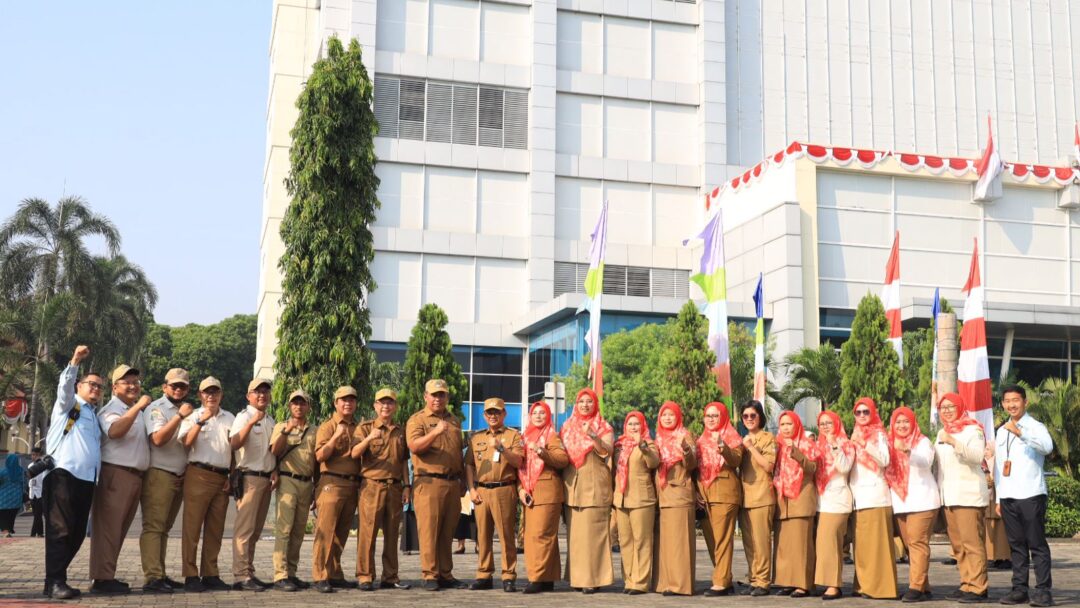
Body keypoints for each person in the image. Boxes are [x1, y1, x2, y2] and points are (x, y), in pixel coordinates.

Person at [42, 345, 102, 600]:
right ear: (79, 385)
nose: (96, 389)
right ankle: (56, 582)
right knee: (60, 531)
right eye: (92, 384)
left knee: (77, 533)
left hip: (87, 480)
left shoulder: (93, 414)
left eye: (100, 386)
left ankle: (54, 579)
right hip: (63, 474)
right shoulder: (68, 405)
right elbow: (64, 388)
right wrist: (75, 361)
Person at [89, 364, 151, 595]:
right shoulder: (111, 410)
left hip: (135, 476)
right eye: (127, 382)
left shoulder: (133, 409)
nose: (133, 385)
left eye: (135, 381)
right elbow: (115, 432)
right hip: (116, 474)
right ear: (115, 388)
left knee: (119, 529)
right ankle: (102, 579)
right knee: (108, 529)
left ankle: (107, 575)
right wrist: (139, 408)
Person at [994, 384, 1054, 607]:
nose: (1011, 404)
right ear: (1003, 404)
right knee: (1016, 545)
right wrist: (998, 497)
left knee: (1036, 544)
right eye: (1007, 401)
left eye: (1015, 400)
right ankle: (1019, 589)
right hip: (1008, 496)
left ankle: (1044, 590)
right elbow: (999, 467)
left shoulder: (1035, 426)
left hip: (1031, 494)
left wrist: (1022, 433)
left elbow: (1047, 447)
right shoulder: (1001, 431)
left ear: (1025, 402)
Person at [406, 379, 467, 591]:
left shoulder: (455, 421)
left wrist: (463, 481)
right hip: (428, 481)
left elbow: (459, 452)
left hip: (452, 483)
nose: (437, 399)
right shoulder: (418, 420)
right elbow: (414, 446)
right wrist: (435, 432)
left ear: (447, 398)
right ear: (425, 397)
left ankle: (445, 574)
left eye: (441, 395)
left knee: (447, 531)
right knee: (429, 531)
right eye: (433, 395)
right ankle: (429, 574)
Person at [140, 367, 194, 594]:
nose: (178, 389)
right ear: (165, 387)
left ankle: (160, 573)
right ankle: (152, 576)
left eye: (182, 386)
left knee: (164, 527)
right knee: (154, 526)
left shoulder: (189, 410)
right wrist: (180, 416)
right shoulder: (156, 408)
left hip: (179, 474)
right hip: (159, 472)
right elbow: (158, 439)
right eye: (174, 385)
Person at [179, 377, 235, 593]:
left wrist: (231, 475)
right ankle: (191, 574)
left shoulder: (230, 417)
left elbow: (233, 450)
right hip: (198, 473)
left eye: (215, 392)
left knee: (215, 528)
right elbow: (186, 443)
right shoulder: (193, 416)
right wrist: (201, 420)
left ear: (221, 394)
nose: (211, 396)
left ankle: (210, 573)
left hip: (221, 476)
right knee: (192, 527)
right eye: (207, 392)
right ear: (200, 395)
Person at [352, 388, 411, 591]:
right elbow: (354, 453)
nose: (386, 406)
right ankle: (365, 576)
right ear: (375, 406)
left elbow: (404, 461)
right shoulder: (365, 428)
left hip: (394, 487)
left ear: (395, 406)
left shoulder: (400, 430)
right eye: (382, 402)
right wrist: (369, 439)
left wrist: (407, 486)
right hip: (371, 486)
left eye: (390, 402)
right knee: (367, 533)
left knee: (392, 534)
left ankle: (390, 576)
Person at [934, 392, 990, 603]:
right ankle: (966, 582)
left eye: (951, 406)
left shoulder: (972, 429)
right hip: (948, 497)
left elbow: (977, 456)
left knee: (972, 543)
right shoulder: (941, 433)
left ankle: (978, 587)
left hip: (968, 496)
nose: (947, 411)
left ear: (960, 407)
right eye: (943, 408)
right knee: (958, 545)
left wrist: (953, 441)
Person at [465, 397, 525, 592]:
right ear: (484, 415)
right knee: (483, 535)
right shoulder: (476, 438)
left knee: (506, 535)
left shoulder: (513, 436)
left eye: (497, 412)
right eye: (489, 412)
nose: (493, 416)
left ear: (504, 414)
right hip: (481, 490)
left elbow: (518, 462)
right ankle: (484, 574)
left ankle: (508, 575)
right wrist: (472, 489)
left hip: (504, 489)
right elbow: (469, 464)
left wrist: (501, 447)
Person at [559, 387, 615, 594]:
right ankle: (577, 577)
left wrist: (593, 436)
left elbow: (607, 451)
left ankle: (593, 579)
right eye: (581, 401)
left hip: (595, 488)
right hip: (572, 487)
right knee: (576, 538)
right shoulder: (566, 427)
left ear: (595, 404)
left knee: (594, 537)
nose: (585, 405)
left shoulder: (603, 427)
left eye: (589, 401)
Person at [885, 406, 940, 603]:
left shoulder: (922, 441)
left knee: (917, 543)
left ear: (913, 422)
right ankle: (924, 587)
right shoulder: (889, 443)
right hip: (901, 503)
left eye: (905, 421)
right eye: (898, 422)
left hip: (922, 501)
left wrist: (909, 452)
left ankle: (915, 587)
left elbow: (926, 461)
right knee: (910, 545)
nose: (901, 425)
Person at [312, 385, 361, 593]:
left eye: (351, 399)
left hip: (352, 484)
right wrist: (335, 436)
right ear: (335, 403)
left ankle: (334, 573)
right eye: (343, 399)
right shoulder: (328, 426)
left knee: (341, 533)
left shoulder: (359, 428)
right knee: (326, 532)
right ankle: (319, 575)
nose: (347, 403)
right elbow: (320, 456)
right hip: (331, 482)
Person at [230, 377, 278, 591]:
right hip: (248, 478)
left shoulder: (270, 420)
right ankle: (241, 576)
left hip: (266, 479)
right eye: (257, 392)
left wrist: (275, 470)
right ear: (248, 396)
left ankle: (248, 571)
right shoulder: (243, 417)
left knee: (256, 530)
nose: (262, 395)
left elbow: (271, 451)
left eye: (265, 391)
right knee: (244, 530)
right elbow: (234, 443)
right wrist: (251, 422)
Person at [849, 397, 899, 599]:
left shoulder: (878, 434)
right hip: (858, 497)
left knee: (878, 546)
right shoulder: (853, 434)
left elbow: (885, 460)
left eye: (865, 412)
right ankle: (863, 585)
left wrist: (864, 444)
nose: (861, 416)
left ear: (873, 413)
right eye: (858, 412)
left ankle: (881, 588)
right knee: (861, 546)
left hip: (876, 496)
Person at [517, 401, 569, 594]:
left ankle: (537, 578)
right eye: (535, 413)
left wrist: (541, 451)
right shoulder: (524, 437)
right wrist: (520, 489)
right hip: (529, 492)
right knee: (537, 537)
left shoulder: (552, 436)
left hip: (547, 491)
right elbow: (518, 467)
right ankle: (548, 578)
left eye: (542, 413)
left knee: (541, 536)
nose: (538, 416)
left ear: (548, 416)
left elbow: (563, 460)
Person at [270, 389, 317, 592]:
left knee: (298, 531)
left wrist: (317, 487)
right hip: (287, 479)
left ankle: (292, 572)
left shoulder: (315, 430)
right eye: (295, 403)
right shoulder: (281, 426)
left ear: (308, 406)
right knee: (284, 529)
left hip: (307, 483)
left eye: (302, 403)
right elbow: (274, 450)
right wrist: (286, 431)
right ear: (289, 406)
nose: (298, 406)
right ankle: (280, 575)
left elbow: (316, 461)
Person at [696, 402, 743, 597]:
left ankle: (721, 582)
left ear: (723, 416)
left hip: (724, 493)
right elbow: (696, 468)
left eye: (715, 415)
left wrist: (722, 446)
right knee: (712, 540)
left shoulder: (732, 437)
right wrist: (696, 490)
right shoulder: (701, 439)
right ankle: (725, 578)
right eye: (708, 415)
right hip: (704, 495)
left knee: (722, 539)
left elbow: (736, 460)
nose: (711, 419)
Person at [772, 410, 819, 598]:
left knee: (801, 544)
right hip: (783, 500)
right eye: (782, 424)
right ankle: (788, 581)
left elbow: (813, 468)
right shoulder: (777, 445)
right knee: (785, 544)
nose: (785, 428)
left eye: (789, 424)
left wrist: (797, 453)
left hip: (801, 498)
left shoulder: (807, 444)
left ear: (797, 425)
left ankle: (804, 584)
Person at [654, 401, 698, 596]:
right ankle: (667, 582)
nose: (668, 418)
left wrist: (686, 450)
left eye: (672, 415)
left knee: (680, 542)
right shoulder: (659, 438)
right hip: (663, 495)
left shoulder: (684, 435)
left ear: (678, 416)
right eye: (664, 415)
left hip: (679, 493)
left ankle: (680, 585)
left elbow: (692, 464)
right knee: (667, 543)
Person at [613, 410, 658, 595]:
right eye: (630, 424)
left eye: (636, 424)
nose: (633, 427)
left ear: (643, 426)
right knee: (625, 541)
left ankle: (640, 582)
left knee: (642, 541)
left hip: (641, 498)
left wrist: (643, 447)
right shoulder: (619, 445)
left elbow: (654, 462)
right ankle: (629, 579)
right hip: (621, 499)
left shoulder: (649, 443)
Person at [813, 410, 854, 600]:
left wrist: (834, 446)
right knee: (824, 544)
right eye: (822, 424)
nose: (825, 427)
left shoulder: (845, 444)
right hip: (822, 501)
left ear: (837, 423)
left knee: (831, 543)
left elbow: (844, 468)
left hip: (838, 501)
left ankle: (834, 585)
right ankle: (828, 582)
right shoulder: (817, 446)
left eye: (829, 423)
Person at [737, 399, 775, 596]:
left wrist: (751, 447)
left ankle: (763, 581)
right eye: (745, 416)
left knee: (761, 542)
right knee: (749, 541)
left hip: (762, 496)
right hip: (745, 497)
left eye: (753, 415)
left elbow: (769, 466)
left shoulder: (768, 438)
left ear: (760, 417)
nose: (749, 419)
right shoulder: (741, 439)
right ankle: (753, 577)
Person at [0, 453, 23, 537]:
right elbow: (24, 484)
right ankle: (9, 530)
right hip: (16, 499)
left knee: (2, 516)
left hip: (3, 499)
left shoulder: (2, 472)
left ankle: (6, 531)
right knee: (11, 516)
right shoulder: (21, 471)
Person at [28, 447, 45, 537]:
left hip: (40, 492)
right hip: (32, 493)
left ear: (39, 455)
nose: (33, 456)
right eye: (32, 454)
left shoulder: (43, 465)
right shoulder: (30, 465)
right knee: (36, 514)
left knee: (38, 514)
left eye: (34, 454)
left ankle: (34, 533)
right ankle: (39, 532)